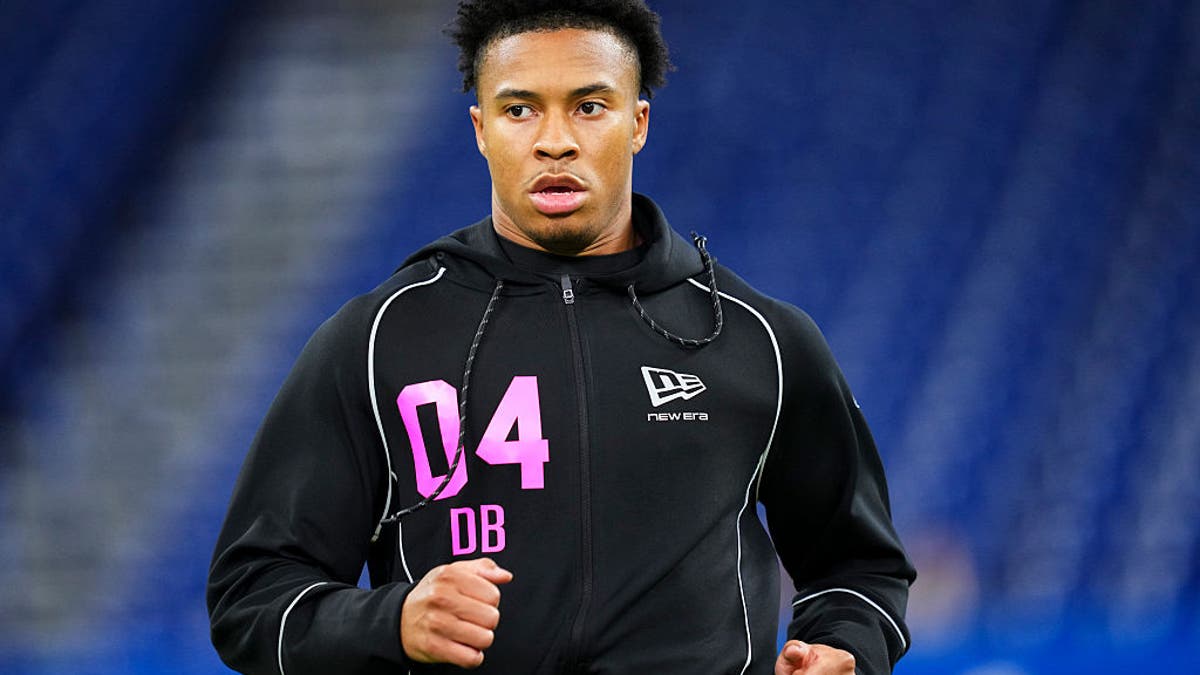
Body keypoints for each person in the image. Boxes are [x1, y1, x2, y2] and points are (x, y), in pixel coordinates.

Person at [207, 1, 916, 673]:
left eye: (589, 105)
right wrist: (389, 621)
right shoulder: (375, 340)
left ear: (637, 122)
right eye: (520, 109)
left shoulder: (760, 338)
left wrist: (843, 647)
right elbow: (252, 595)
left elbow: (860, 567)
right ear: (481, 127)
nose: (555, 140)